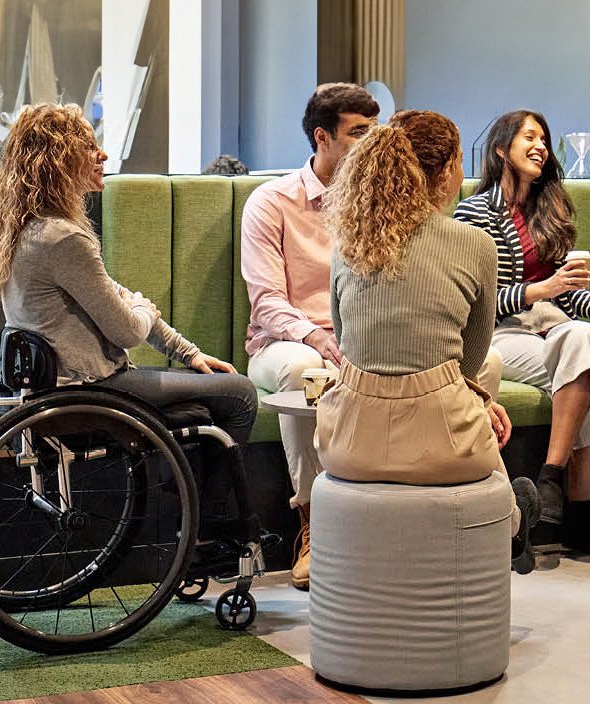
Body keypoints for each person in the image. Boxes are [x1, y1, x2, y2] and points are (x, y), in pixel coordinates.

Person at [0, 102, 257, 473]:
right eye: (88, 147)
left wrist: (189, 354)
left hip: (54, 388)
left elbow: (117, 297)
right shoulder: (63, 239)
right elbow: (128, 329)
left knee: (206, 396)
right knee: (240, 393)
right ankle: (216, 521)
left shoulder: (31, 230)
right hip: (87, 391)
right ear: (58, 161)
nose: (102, 154)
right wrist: (145, 311)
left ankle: (196, 511)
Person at [315, 110, 542, 573]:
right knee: (490, 453)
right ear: (446, 172)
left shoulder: (347, 244)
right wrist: (474, 401)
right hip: (443, 447)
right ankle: (513, 524)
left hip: (349, 442)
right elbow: (470, 360)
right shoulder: (475, 244)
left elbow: (347, 344)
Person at [455, 109, 590, 553]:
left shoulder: (550, 209)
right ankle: (580, 510)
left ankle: (549, 479)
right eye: (529, 137)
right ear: (499, 149)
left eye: (544, 139)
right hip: (499, 333)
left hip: (551, 328)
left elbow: (564, 297)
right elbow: (477, 299)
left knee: (587, 339)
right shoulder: (474, 211)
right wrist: (538, 290)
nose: (541, 146)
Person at [239, 83, 377, 591]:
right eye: (358, 134)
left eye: (374, 132)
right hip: (282, 345)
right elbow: (267, 303)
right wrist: (318, 338)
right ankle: (315, 524)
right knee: (306, 369)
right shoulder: (271, 201)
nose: (370, 144)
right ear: (323, 137)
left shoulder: (376, 204)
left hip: (359, 341)